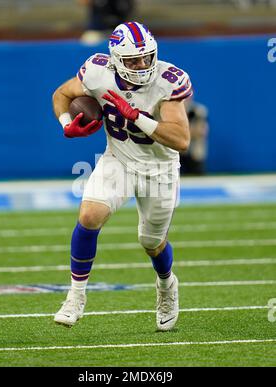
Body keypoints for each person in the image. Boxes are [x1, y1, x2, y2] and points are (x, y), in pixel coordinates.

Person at [52, 21, 193, 331]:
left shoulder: (168, 81)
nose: (142, 65)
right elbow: (61, 93)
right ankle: (75, 296)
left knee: (151, 242)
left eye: (147, 57)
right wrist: (66, 124)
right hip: (119, 160)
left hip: (160, 169)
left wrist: (138, 117)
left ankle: (167, 285)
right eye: (133, 60)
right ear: (115, 58)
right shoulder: (97, 71)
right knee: (89, 215)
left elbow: (182, 140)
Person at [180, 98, 209, 175]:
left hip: (194, 150)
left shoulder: (199, 111)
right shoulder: (174, 110)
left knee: (197, 176)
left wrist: (184, 132)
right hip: (178, 149)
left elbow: (202, 131)